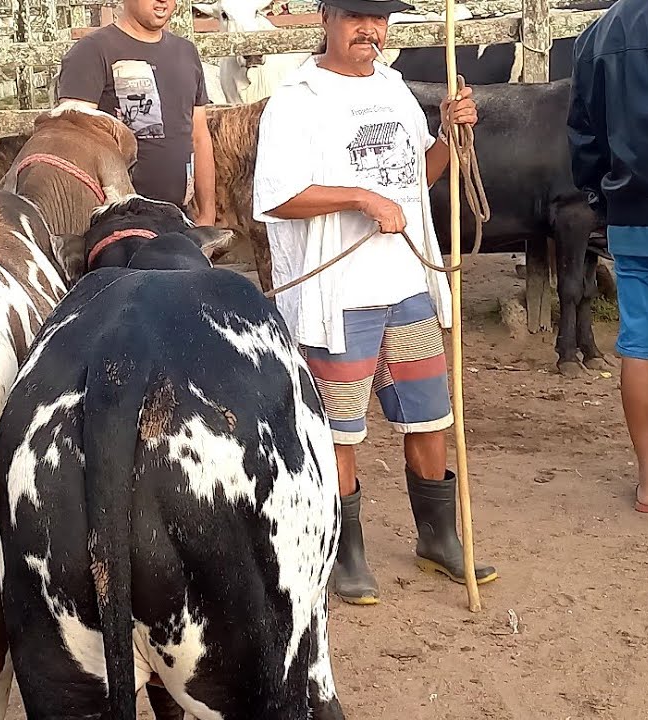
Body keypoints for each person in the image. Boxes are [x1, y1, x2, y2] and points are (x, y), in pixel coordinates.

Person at [251, 0, 497, 605]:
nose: (371, 30)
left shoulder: (394, 89)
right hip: (337, 296)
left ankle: (438, 538)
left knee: (429, 414)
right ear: (327, 19)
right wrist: (361, 197)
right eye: (357, 15)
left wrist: (450, 135)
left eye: (380, 18)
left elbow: (422, 176)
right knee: (340, 429)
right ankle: (345, 550)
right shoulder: (297, 99)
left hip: (408, 282)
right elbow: (278, 198)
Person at [568, 0, 648, 526]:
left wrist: (603, 199)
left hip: (628, 214)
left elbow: (582, 135)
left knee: (639, 345)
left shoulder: (599, 31)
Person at [54, 0, 216, 224]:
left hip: (179, 216)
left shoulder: (186, 52)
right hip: (117, 220)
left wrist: (208, 214)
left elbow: (199, 136)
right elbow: (72, 140)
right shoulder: (92, 51)